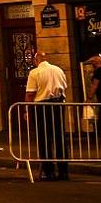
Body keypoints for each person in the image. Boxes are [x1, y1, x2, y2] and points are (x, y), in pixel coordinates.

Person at [24, 52, 69, 181]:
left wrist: (27, 110)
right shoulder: (58, 70)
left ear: (35, 60)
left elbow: (30, 93)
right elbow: (64, 86)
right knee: (60, 138)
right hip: (58, 104)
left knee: (44, 139)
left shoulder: (35, 73)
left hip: (42, 106)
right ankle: (63, 171)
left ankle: (48, 171)